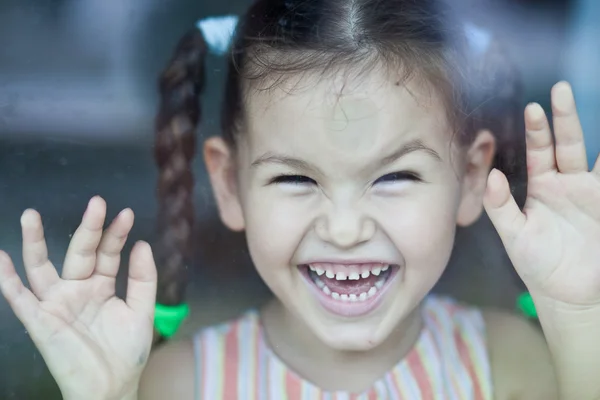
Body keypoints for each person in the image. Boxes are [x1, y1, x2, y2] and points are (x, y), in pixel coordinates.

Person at [1, 0, 599, 399]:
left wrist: (580, 315)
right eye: (296, 180)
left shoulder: (508, 366)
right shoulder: (179, 385)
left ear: (470, 178)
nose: (343, 229)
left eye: (395, 178)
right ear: (230, 185)